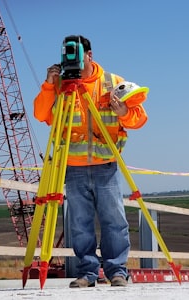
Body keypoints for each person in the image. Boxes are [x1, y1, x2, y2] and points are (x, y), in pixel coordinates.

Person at [33, 35, 148, 288]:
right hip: (72, 167)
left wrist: (124, 113)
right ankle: (88, 273)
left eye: (76, 54)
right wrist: (49, 85)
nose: (71, 60)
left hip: (105, 165)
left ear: (90, 55)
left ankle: (116, 271)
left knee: (114, 221)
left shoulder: (112, 83)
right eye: (68, 54)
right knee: (80, 224)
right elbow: (41, 114)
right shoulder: (60, 85)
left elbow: (139, 119)